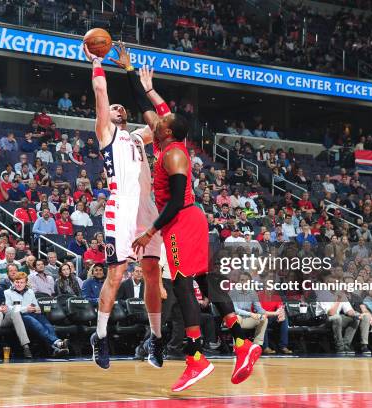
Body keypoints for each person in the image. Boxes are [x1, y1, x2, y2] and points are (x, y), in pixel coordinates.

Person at [129, 63, 259, 390]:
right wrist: (134, 74)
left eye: (163, 122)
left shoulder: (173, 156)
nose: (157, 121)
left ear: (168, 131)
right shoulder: (164, 141)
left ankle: (196, 358)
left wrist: (149, 231)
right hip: (189, 219)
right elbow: (151, 108)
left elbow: (173, 202)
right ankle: (243, 345)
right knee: (205, 279)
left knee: (184, 286)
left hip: (181, 220)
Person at [84, 43, 164, 373]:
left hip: (146, 211)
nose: (118, 110)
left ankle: (156, 339)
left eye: (121, 108)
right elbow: (101, 91)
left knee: (151, 273)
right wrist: (98, 63)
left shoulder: (136, 138)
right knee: (116, 276)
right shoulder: (106, 133)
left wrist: (133, 75)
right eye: (114, 108)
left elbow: (161, 122)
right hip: (120, 207)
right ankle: (100, 336)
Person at [4, 272, 69, 357]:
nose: (19, 284)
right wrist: (25, 309)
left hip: (33, 313)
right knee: (36, 324)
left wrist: (37, 309)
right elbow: (9, 309)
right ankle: (58, 342)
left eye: (22, 282)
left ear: (26, 283)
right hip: (20, 316)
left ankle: (55, 348)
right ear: (13, 282)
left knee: (48, 325)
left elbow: (35, 304)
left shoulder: (30, 292)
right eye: (17, 282)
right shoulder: (7, 293)